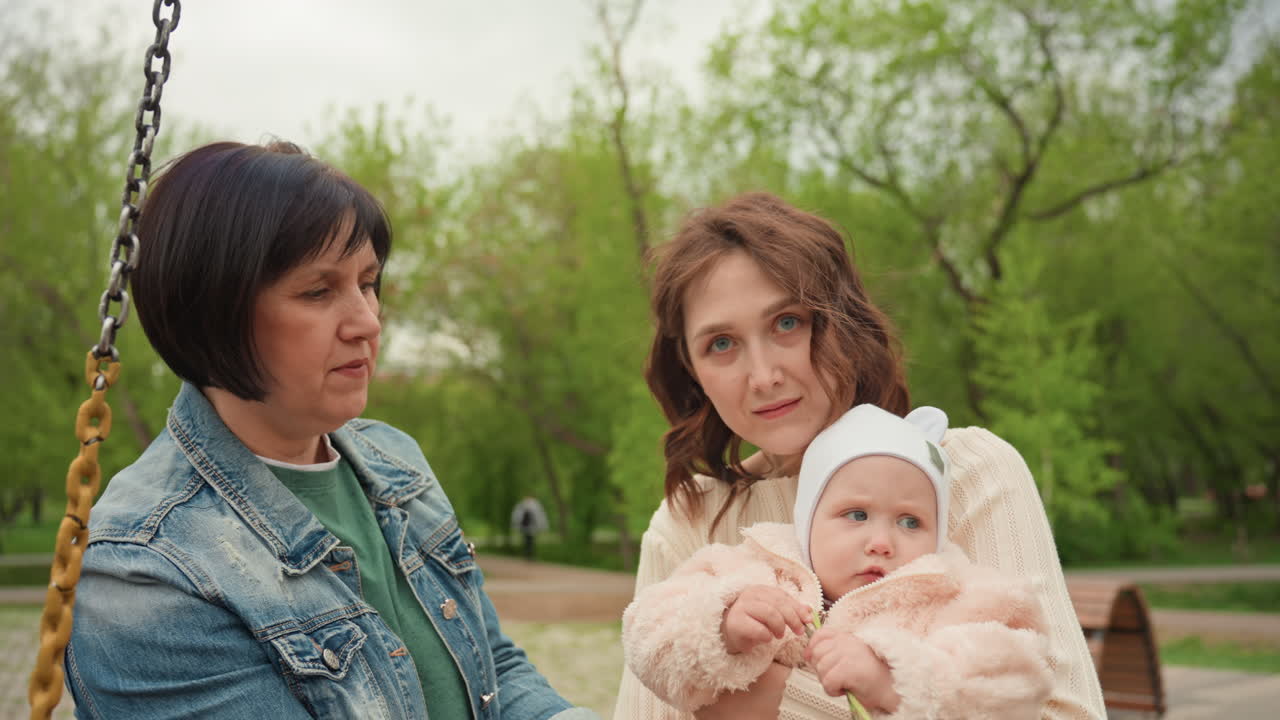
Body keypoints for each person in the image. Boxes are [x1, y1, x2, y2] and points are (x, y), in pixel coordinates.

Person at [64, 141, 597, 720]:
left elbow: (489, 668)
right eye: (318, 291)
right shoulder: (146, 569)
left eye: (368, 282)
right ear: (212, 312)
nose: (368, 322)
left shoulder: (395, 460)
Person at [612, 192, 1105, 719]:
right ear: (690, 368)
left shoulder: (965, 470)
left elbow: (1064, 713)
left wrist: (771, 700)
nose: (763, 376)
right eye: (722, 344)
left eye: (786, 323)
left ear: (840, 321)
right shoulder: (689, 521)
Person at [622, 404, 1053, 717]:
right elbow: (647, 631)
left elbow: (1016, 683)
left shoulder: (950, 597)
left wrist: (895, 683)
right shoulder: (757, 571)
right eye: (857, 515)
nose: (882, 541)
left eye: (910, 521)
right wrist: (722, 623)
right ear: (808, 521)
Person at [511, 495, 550, 560]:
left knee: (530, 541)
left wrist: (541, 526)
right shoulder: (522, 505)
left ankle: (529, 555)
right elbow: (517, 516)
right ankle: (527, 555)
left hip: (531, 527)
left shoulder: (534, 505)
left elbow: (539, 516)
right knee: (527, 541)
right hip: (525, 527)